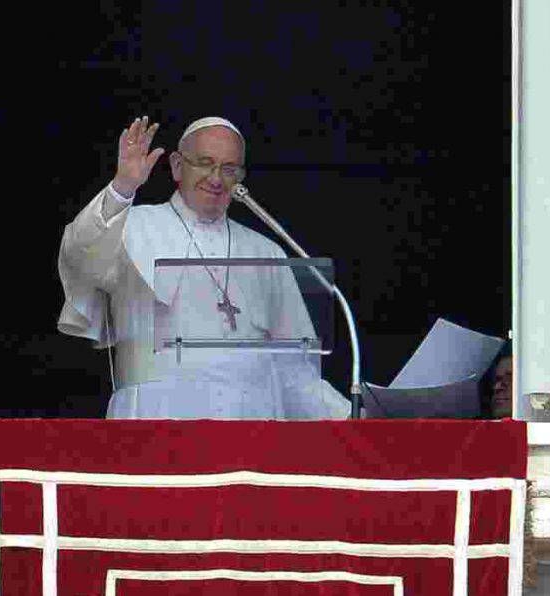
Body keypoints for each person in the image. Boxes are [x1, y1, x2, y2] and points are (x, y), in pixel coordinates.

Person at [57, 115, 349, 420]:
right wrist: (122, 187)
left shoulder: (265, 251)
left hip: (251, 424)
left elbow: (295, 372)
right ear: (177, 166)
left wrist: (354, 418)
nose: (215, 178)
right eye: (205, 162)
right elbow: (80, 254)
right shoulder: (132, 226)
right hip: (154, 417)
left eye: (229, 169)